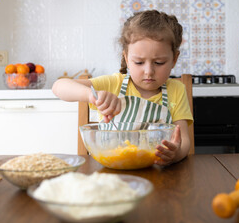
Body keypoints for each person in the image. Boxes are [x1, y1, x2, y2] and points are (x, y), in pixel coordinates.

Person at [52, 10, 193, 166]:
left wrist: (175, 153)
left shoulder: (176, 90)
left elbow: (184, 140)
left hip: (157, 172)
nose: (149, 71)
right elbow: (59, 87)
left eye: (159, 63)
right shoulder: (114, 84)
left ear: (174, 59)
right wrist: (91, 95)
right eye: (139, 63)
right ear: (126, 58)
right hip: (112, 171)